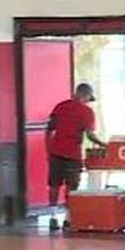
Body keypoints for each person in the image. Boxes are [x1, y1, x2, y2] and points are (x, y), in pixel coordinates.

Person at [45, 83, 107, 228]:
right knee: (72, 187)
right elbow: (90, 136)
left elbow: (49, 130)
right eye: (88, 98)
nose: (88, 101)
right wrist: (105, 145)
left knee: (54, 185)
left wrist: (48, 150)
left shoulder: (60, 107)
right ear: (84, 95)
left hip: (55, 152)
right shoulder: (87, 112)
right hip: (73, 154)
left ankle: (53, 217)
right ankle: (68, 218)